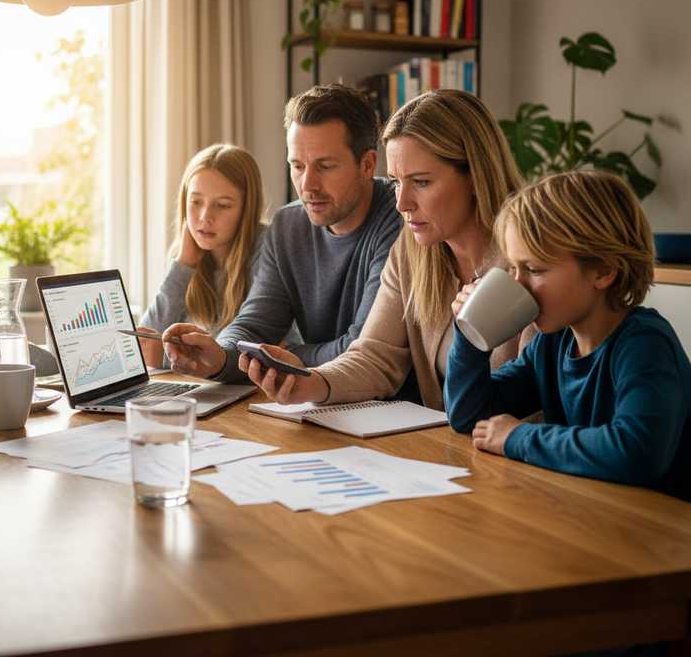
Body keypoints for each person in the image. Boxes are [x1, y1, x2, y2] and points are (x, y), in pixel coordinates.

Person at [239, 89, 530, 409]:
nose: (402, 203)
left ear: (475, 175)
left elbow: (540, 397)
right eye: (395, 182)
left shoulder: (530, 262)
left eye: (421, 182)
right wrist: (312, 383)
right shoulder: (412, 249)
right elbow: (375, 356)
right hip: (441, 438)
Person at [446, 170, 691, 500]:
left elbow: (636, 452)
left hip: (660, 521)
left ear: (603, 270)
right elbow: (469, 415)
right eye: (513, 268)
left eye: (534, 269)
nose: (517, 285)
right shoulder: (552, 344)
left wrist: (519, 437)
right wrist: (470, 332)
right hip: (596, 510)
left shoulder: (645, 344)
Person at [163, 83, 402, 380]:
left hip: (388, 401)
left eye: (325, 166)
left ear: (367, 165)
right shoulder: (287, 225)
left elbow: (362, 347)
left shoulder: (401, 217)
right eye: (297, 166)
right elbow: (254, 324)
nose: (308, 185)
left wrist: (285, 355)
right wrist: (220, 356)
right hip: (314, 396)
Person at [137, 143, 265, 367]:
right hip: (201, 386)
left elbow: (269, 348)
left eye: (222, 205)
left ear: (247, 209)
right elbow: (145, 344)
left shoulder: (267, 251)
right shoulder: (185, 254)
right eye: (196, 202)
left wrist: (165, 358)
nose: (205, 216)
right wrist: (184, 264)